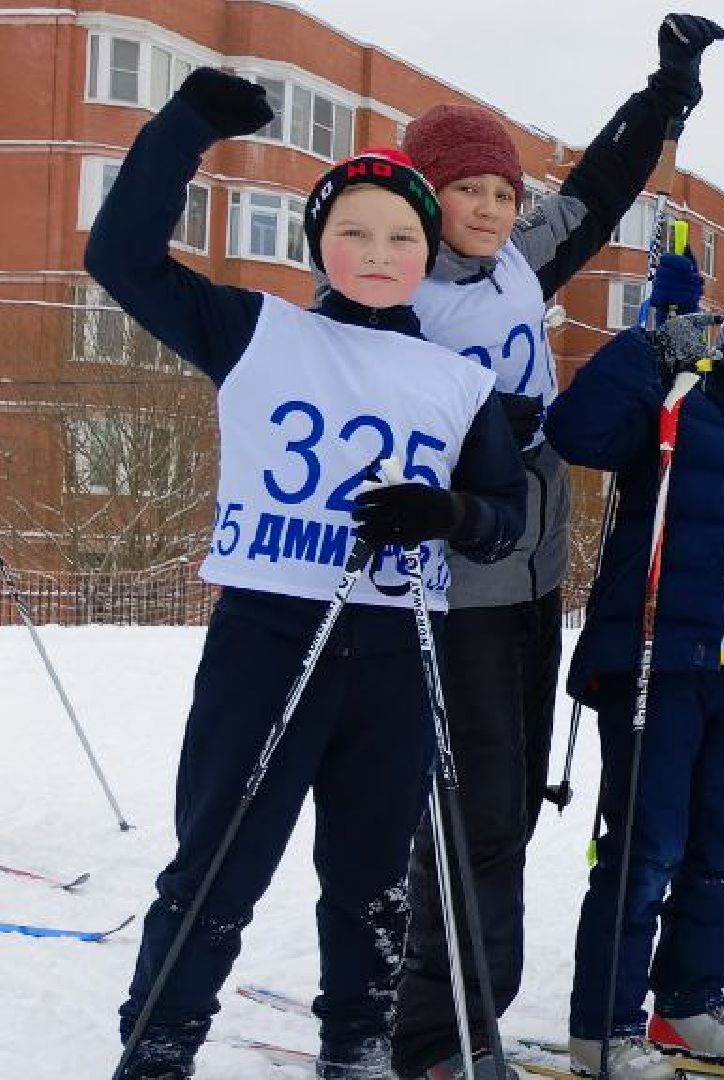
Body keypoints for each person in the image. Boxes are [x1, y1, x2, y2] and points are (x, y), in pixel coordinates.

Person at [92, 70, 526, 1080]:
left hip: (394, 649)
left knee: (373, 875)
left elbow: (507, 522)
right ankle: (159, 1043)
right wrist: (186, 128)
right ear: (320, 244)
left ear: (428, 258)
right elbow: (118, 257)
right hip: (271, 630)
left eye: (403, 239)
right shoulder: (257, 331)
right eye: (357, 233)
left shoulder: (461, 381)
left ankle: (357, 1045)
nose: (380, 255)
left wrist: (450, 513)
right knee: (219, 861)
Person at [390, 14, 723, 1077]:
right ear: (420, 196)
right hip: (448, 586)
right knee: (475, 817)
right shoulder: (397, 290)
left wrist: (666, 93)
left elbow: (601, 187)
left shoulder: (519, 262)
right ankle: (438, 1038)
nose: (491, 210)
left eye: (500, 192)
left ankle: (460, 1007)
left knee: (509, 808)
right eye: (467, 192)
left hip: (530, 574)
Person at [545, 291, 724, 1078]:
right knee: (647, 848)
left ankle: (687, 1004)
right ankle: (603, 1026)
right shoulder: (684, 401)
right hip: (660, 662)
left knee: (722, 851)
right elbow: (577, 432)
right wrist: (647, 350)